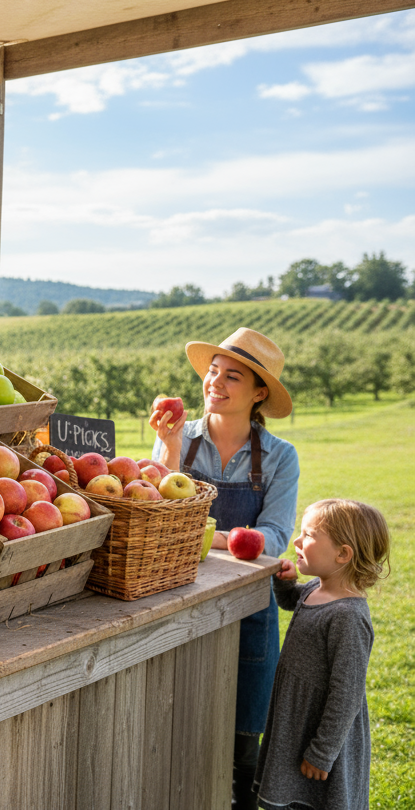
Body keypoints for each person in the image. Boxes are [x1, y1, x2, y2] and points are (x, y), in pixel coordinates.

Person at [150, 328, 300, 810]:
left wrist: (196, 535)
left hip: (248, 613)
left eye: (231, 376)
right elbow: (155, 515)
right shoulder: (180, 439)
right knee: (176, 735)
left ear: (259, 394)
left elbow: (274, 542)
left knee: (242, 749)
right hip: (180, 602)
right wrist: (168, 450)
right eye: (212, 372)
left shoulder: (280, 457)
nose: (215, 382)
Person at [255, 499, 389, 810]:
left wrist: (322, 752)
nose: (297, 541)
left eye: (309, 535)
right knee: (294, 797)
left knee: (318, 800)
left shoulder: (347, 616)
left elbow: (347, 694)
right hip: (297, 719)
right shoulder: (317, 587)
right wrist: (286, 584)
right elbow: (295, 603)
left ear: (343, 554)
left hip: (321, 730)